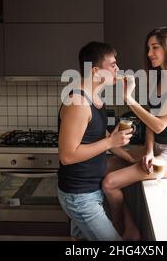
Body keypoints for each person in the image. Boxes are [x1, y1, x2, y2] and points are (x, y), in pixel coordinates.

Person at [103, 27, 167, 240]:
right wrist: (149, 150)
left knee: (109, 183)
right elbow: (151, 124)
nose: (149, 53)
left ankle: (120, 231)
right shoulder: (159, 78)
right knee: (103, 167)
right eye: (148, 48)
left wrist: (129, 98)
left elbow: (161, 125)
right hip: (156, 150)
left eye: (155, 47)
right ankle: (132, 228)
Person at [57, 41, 140, 241]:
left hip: (91, 189)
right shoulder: (78, 102)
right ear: (96, 71)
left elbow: (98, 134)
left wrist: (128, 157)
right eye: (112, 65)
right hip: (79, 196)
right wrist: (111, 143)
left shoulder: (95, 97)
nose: (118, 69)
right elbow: (67, 156)